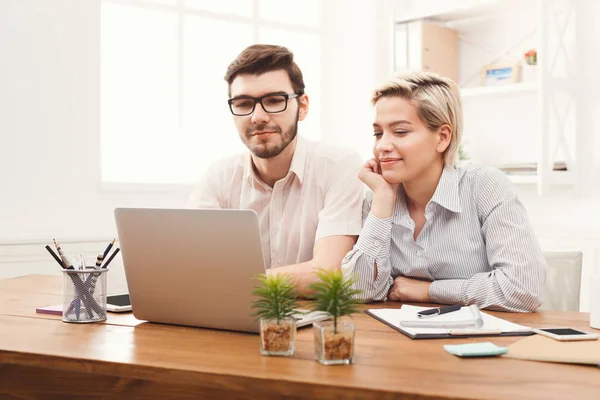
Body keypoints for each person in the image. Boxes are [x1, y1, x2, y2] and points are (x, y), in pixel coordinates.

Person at [341, 71, 546, 312]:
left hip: (481, 342)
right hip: (401, 343)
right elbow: (359, 292)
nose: (383, 146)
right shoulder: (378, 200)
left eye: (400, 132)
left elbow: (523, 289)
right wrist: (383, 199)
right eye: (378, 133)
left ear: (442, 137)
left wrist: (429, 291)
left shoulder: (485, 187)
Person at [186, 44, 364, 296]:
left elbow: (328, 274)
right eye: (244, 103)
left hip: (315, 325)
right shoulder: (219, 177)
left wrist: (232, 282)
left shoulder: (338, 165)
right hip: (237, 320)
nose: (257, 116)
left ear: (302, 106)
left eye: (273, 101)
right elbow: (192, 266)